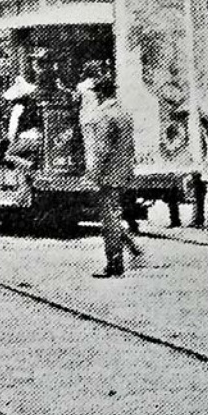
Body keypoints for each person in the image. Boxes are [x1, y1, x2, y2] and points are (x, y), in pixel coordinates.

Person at [83, 77, 143, 278]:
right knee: (115, 214)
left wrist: (94, 173)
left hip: (108, 175)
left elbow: (102, 149)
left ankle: (114, 264)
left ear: (100, 93)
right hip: (123, 173)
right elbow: (129, 146)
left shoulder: (104, 115)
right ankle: (128, 251)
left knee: (109, 221)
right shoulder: (124, 113)